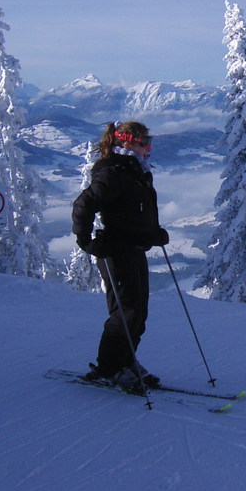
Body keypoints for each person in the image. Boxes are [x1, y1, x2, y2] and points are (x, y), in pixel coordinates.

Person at [72, 121, 169, 389]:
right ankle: (110, 368)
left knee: (139, 313)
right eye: (143, 142)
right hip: (115, 251)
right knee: (126, 313)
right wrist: (85, 240)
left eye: (148, 141)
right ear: (126, 142)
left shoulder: (135, 170)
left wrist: (152, 233)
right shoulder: (115, 172)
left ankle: (125, 361)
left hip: (134, 248)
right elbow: (84, 204)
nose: (148, 147)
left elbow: (132, 211)